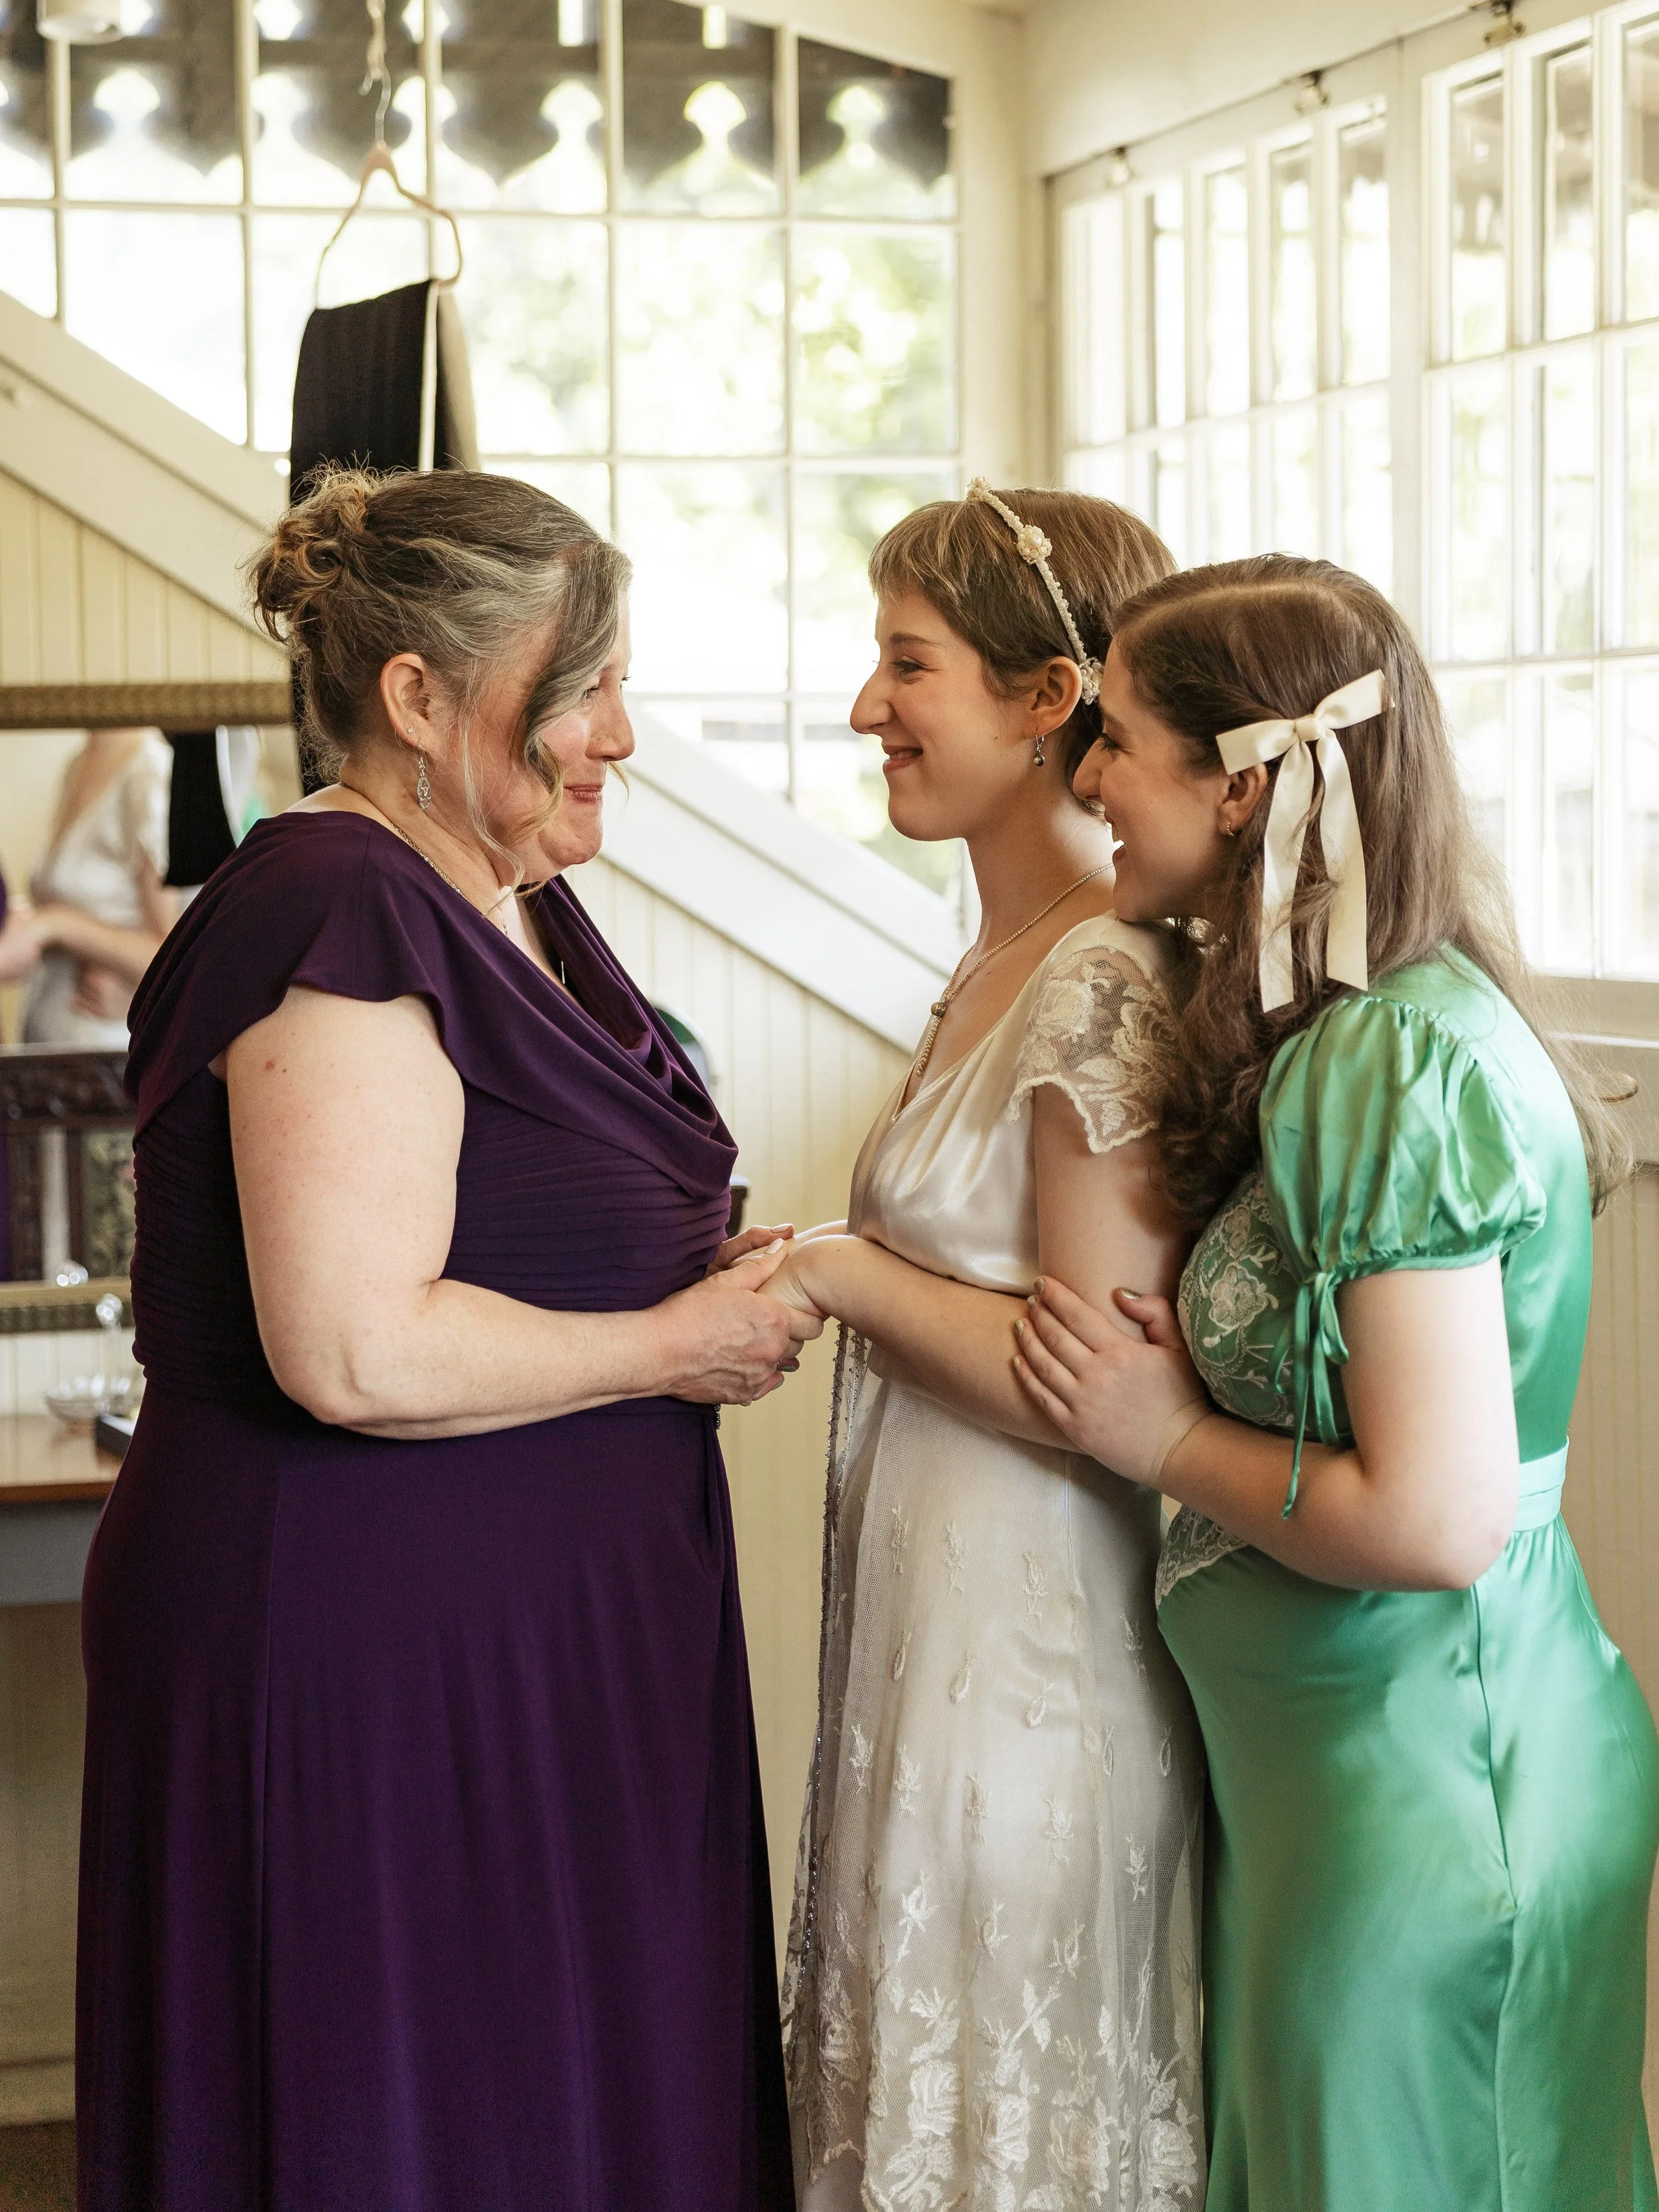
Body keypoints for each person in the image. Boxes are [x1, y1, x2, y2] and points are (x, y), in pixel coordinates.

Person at [76, 468, 818, 2212]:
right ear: (418, 697)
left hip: (539, 1642)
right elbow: (351, 1345)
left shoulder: (502, 895)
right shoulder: (337, 907)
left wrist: (694, 1261)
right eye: (584, 688)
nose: (621, 734)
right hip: (370, 1648)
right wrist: (667, 1343)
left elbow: (502, 1219)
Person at [1011, 554, 1659, 2212]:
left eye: (1121, 741)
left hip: (1433, 1776)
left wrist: (1162, 1434)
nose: (1085, 780)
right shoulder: (1349, 1037)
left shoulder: (1389, 1062)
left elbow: (1438, 1517)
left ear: (1243, 790)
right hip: (1351, 1771)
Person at [771, 484, 1206, 2212]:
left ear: (1045, 701)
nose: (868, 705)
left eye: (905, 662)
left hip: (1034, 1664)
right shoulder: (989, 954)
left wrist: (828, 1269)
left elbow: (1087, 1372)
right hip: (921, 1639)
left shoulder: (1102, 961)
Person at [13, 725, 176, 1046]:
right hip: (45, 1033)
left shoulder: (149, 771)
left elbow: (171, 953)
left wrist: (53, 924)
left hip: (101, 1047)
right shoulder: (78, 762)